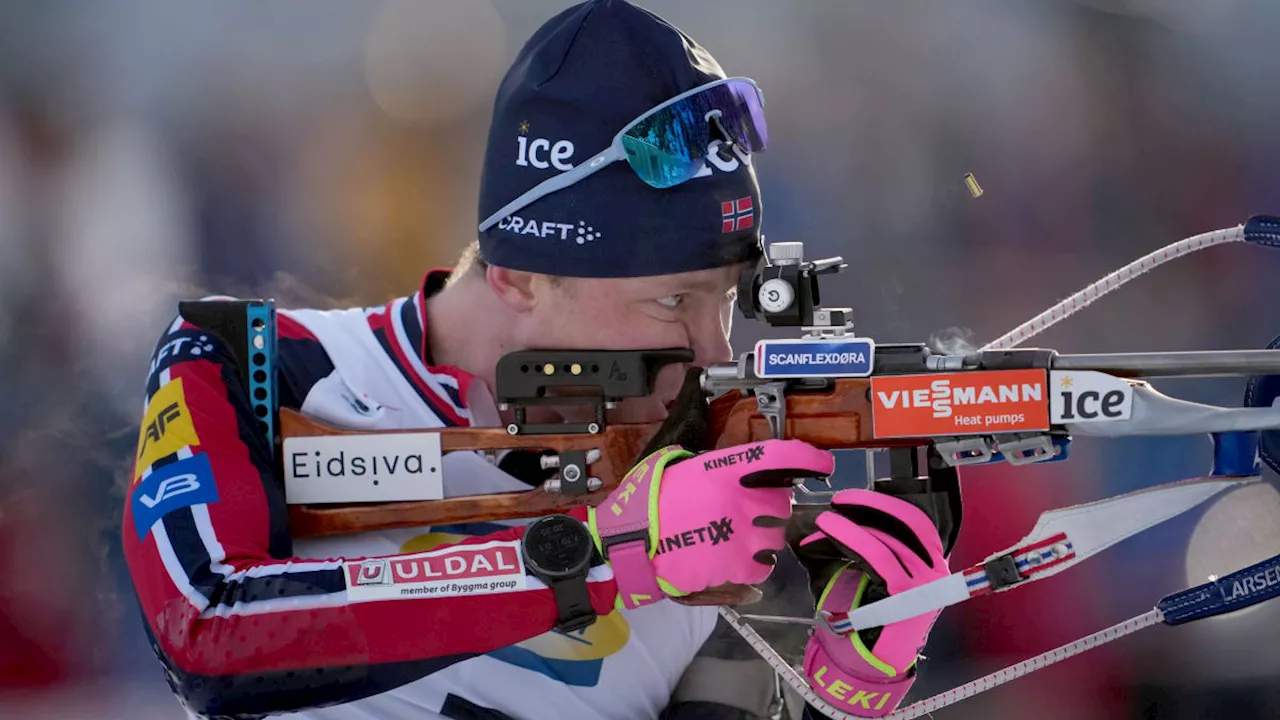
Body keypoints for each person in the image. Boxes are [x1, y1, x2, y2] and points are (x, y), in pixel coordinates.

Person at [121, 2, 950, 718]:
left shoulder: (715, 474)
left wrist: (838, 684)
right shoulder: (257, 366)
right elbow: (208, 632)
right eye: (672, 301)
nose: (713, 349)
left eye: (728, 296)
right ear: (517, 273)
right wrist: (603, 556)